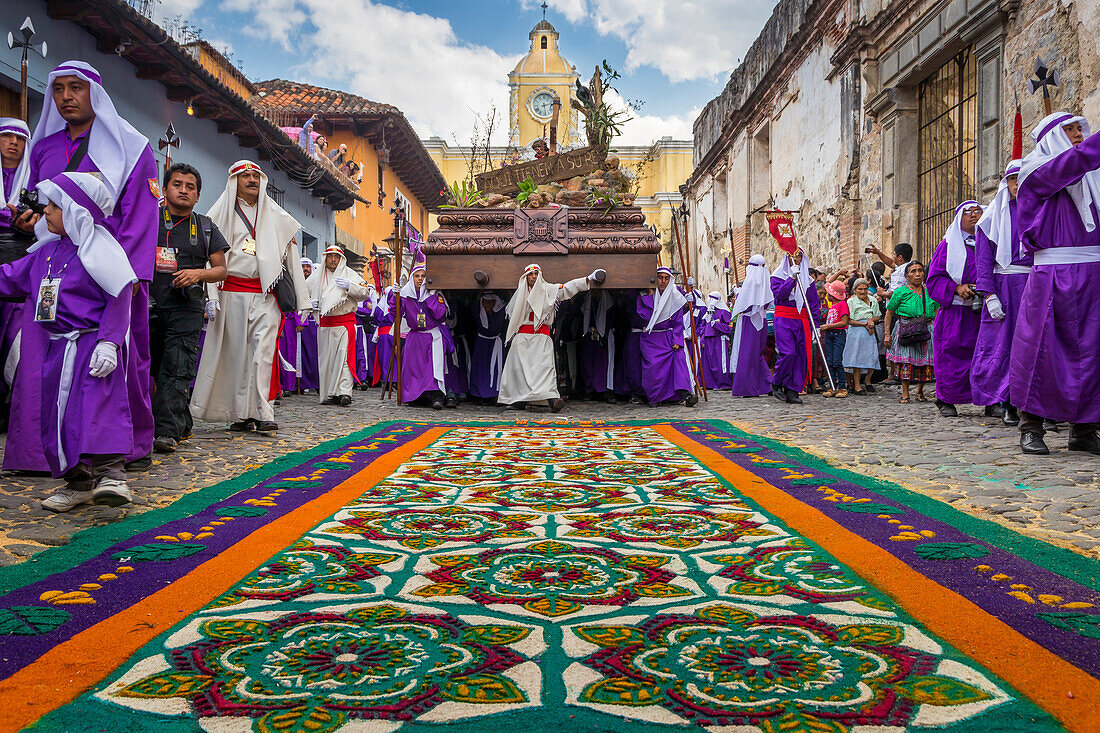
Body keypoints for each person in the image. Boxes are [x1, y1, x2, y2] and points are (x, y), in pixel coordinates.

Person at [8, 61, 158, 474]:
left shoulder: (133, 147)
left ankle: (119, 451)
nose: (66, 97)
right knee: (41, 359)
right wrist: (32, 221)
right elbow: (41, 209)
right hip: (54, 271)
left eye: (76, 88)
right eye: (58, 89)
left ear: (96, 91)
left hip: (110, 272)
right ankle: (40, 453)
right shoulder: (43, 148)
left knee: (114, 364)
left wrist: (120, 275)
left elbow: (142, 215)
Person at [0, 173, 137, 510]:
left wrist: (110, 342)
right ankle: (78, 483)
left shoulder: (102, 251)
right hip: (58, 350)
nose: (45, 211)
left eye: (54, 206)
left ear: (77, 210)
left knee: (98, 410)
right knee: (58, 416)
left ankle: (112, 477)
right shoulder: (44, 253)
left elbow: (119, 297)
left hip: (92, 347)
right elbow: (9, 279)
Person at [191, 161, 310, 436]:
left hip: (266, 295)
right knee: (236, 356)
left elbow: (291, 259)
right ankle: (240, 413)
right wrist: (211, 296)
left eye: (255, 175)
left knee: (263, 352)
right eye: (245, 175)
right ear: (234, 181)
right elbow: (209, 259)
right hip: (230, 293)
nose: (251, 179)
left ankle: (263, 410)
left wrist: (303, 302)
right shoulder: (217, 216)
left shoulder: (278, 217)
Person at [1011, 112, 1100, 455]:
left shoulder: (1093, 178)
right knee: (1041, 351)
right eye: (1071, 130)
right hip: (1053, 275)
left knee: (1092, 353)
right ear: (1053, 137)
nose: (1079, 134)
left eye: (1081, 128)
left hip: (1093, 273)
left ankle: (1084, 428)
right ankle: (1031, 426)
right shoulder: (1035, 172)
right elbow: (1069, 165)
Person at [150, 164, 229, 453]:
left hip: (187, 307)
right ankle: (179, 420)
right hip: (149, 304)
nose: (183, 190)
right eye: (177, 184)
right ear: (165, 189)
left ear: (197, 196)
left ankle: (166, 432)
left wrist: (197, 274)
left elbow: (221, 270)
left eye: (190, 187)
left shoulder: (205, 225)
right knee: (153, 366)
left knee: (177, 367)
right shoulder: (148, 220)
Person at [500, 264, 602, 411]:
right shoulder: (520, 293)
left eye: (536, 274)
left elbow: (567, 288)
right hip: (522, 339)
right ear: (525, 277)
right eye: (530, 274)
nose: (533, 277)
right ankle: (519, 400)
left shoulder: (549, 290)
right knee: (519, 370)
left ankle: (552, 399)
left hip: (542, 337)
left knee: (544, 369)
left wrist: (587, 279)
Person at [971, 160, 1027, 426]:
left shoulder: (1039, 209)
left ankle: (1040, 405)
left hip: (1035, 282)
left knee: (1037, 343)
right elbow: (983, 260)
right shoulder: (991, 219)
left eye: (1022, 178)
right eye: (1013, 179)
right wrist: (989, 294)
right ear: (1006, 183)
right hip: (1005, 288)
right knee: (1006, 346)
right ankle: (1008, 403)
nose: (1017, 184)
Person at [926, 201, 983, 417]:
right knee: (950, 356)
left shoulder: (989, 242)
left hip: (982, 311)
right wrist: (956, 288)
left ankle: (989, 398)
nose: (973, 216)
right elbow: (934, 279)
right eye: (967, 212)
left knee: (983, 354)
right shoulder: (948, 246)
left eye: (977, 211)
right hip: (955, 312)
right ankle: (946, 398)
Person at [306, 244, 368, 406]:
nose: (333, 260)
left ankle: (345, 392)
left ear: (341, 259)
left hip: (344, 323)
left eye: (336, 257)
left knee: (345, 359)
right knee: (327, 360)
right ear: (325, 257)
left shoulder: (349, 274)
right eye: (330, 256)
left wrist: (350, 286)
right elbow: (303, 294)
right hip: (325, 324)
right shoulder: (316, 276)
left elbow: (365, 292)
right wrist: (309, 304)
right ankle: (330, 393)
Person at [637, 267, 698, 407]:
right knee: (653, 367)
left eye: (666, 278)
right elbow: (646, 317)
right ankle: (655, 397)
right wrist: (650, 294)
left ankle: (685, 394)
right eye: (660, 278)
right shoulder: (643, 296)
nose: (663, 281)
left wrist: (677, 339)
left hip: (669, 337)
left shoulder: (675, 296)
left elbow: (678, 321)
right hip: (651, 338)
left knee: (679, 360)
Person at [396, 263, 451, 409]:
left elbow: (440, 316)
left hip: (432, 337)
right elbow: (395, 313)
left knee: (433, 370)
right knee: (414, 369)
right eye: (417, 276)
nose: (420, 279)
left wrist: (430, 298)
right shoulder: (406, 296)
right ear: (411, 278)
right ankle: (416, 397)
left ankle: (436, 397)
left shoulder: (436, 296)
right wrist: (395, 296)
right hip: (415, 338)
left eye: (423, 276)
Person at [770, 249, 821, 404]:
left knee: (800, 356)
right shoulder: (777, 276)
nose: (796, 260)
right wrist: (791, 279)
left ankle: (792, 390)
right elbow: (779, 296)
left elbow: (813, 304)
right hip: (784, 318)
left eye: (798, 256)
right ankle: (777, 382)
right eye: (792, 257)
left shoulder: (809, 281)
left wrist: (816, 325)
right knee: (788, 352)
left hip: (802, 320)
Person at [884, 260, 937, 403]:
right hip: (905, 328)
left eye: (920, 270)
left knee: (925, 362)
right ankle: (905, 393)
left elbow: (937, 311)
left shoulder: (929, 291)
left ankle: (920, 391)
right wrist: (887, 334)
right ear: (907, 276)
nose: (917, 274)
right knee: (905, 362)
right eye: (913, 271)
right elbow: (889, 313)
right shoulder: (900, 292)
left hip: (926, 329)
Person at [729, 255, 774, 398]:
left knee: (747, 355)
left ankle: (748, 388)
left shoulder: (751, 282)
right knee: (757, 354)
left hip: (749, 323)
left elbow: (746, 306)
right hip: (761, 322)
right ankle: (765, 384)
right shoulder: (765, 282)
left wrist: (739, 294)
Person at [842, 278, 881, 395]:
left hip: (869, 333)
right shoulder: (851, 302)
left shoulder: (873, 300)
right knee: (856, 358)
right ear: (855, 290)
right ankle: (857, 385)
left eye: (865, 289)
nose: (863, 291)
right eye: (860, 289)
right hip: (856, 332)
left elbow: (878, 316)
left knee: (872, 356)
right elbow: (849, 320)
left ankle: (868, 381)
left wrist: (871, 320)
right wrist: (865, 323)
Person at [577, 288, 616, 400]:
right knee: (588, 364)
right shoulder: (589, 302)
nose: (596, 295)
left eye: (598, 292)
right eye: (594, 292)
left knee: (602, 365)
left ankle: (603, 390)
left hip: (603, 339)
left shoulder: (609, 305)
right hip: (590, 337)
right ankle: (589, 390)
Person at [468, 293, 506, 402]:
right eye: (485, 301)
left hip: (496, 344)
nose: (488, 304)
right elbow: (475, 303)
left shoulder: (500, 312)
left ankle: (495, 394)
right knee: (480, 370)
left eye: (491, 301)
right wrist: (480, 291)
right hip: (482, 344)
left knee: (496, 370)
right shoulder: (477, 310)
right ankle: (479, 395)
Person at [820, 280, 849, 398]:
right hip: (829, 335)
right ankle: (832, 386)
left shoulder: (842, 305)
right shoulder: (832, 306)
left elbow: (844, 322)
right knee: (830, 362)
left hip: (838, 334)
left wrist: (828, 326)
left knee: (837, 361)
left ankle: (842, 387)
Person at [699, 291, 732, 390]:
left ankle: (723, 383)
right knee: (708, 362)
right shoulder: (710, 311)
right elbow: (704, 325)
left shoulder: (724, 311)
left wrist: (716, 325)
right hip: (708, 339)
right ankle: (709, 383)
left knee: (720, 362)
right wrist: (702, 338)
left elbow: (728, 327)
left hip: (719, 339)